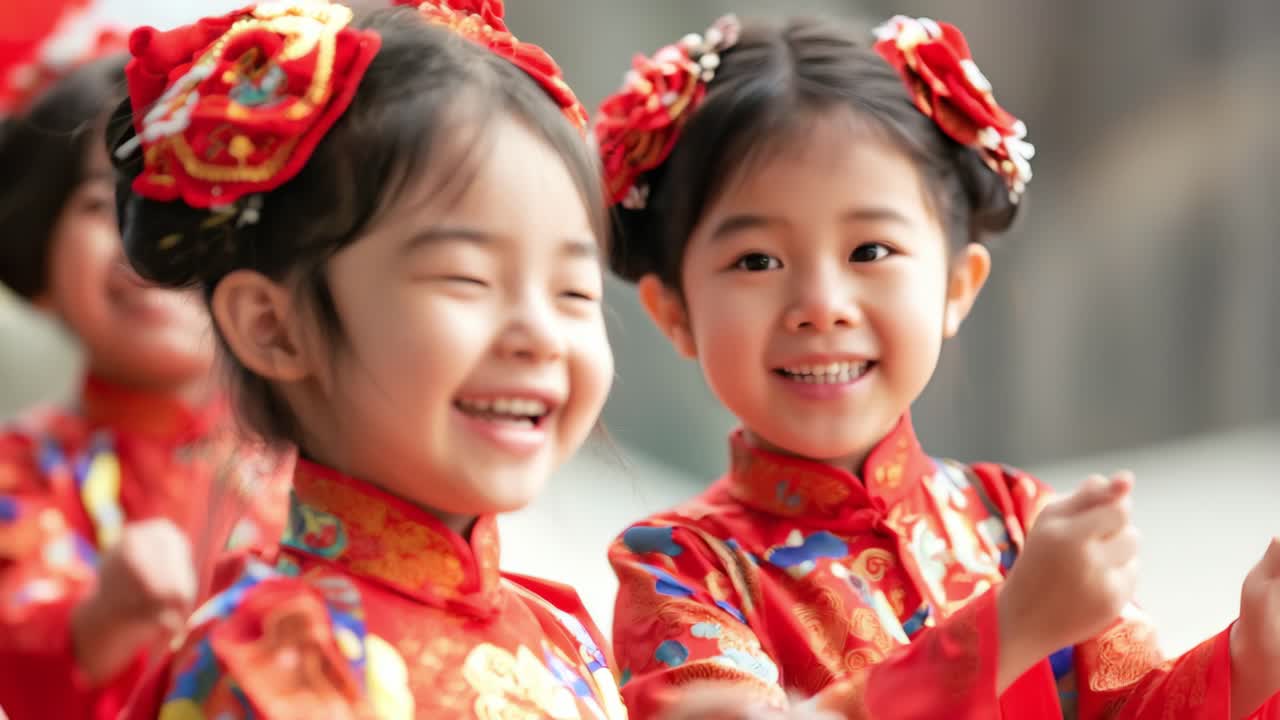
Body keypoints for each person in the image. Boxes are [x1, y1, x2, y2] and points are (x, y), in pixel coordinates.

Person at [594, 13, 1280, 719]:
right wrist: (1005, 630)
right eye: (757, 261)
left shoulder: (1014, 519)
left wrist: (1252, 656)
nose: (822, 305)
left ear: (957, 286)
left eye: (870, 251)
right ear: (673, 312)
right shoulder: (677, 567)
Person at [109, 1, 627, 717]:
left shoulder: (565, 634)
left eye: (574, 291)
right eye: (467, 279)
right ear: (274, 328)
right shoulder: (277, 665)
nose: (540, 336)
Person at [0, 23, 288, 720]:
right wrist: (104, 616)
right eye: (110, 206)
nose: (149, 248)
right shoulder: (19, 471)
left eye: (194, 210)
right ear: (41, 256)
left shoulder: (325, 456)